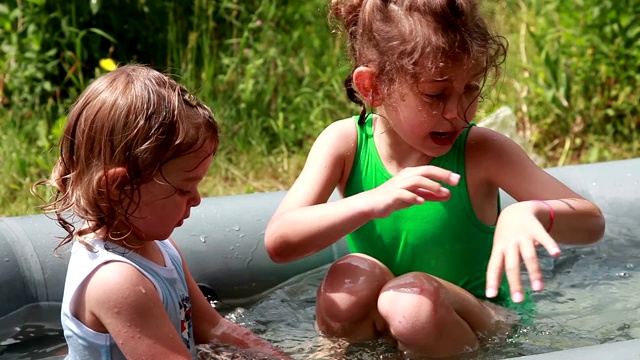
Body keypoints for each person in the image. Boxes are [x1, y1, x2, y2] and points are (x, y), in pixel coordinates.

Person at [264, 0, 606, 357]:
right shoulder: (345, 143)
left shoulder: (481, 151)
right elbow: (280, 241)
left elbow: (592, 222)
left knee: (411, 305)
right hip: (395, 316)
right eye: (435, 94)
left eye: (470, 89)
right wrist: (372, 199)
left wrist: (533, 212)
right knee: (349, 282)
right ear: (372, 87)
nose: (457, 112)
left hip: (484, 324)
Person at [33, 64, 289, 360]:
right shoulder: (116, 282)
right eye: (184, 188)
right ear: (119, 187)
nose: (196, 199)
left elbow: (212, 327)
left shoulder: (163, 248)